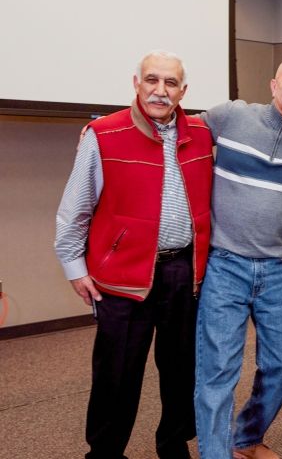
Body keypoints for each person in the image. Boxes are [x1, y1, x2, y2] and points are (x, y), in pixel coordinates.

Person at [54, 50, 214, 459]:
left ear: (184, 90)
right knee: (117, 372)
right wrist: (75, 268)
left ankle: (173, 443)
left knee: (181, 369)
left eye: (171, 83)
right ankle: (104, 452)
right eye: (152, 80)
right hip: (122, 277)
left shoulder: (201, 133)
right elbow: (76, 208)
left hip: (184, 271)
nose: (160, 91)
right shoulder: (103, 134)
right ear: (136, 83)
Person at [193, 57, 282, 459]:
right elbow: (177, 130)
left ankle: (246, 438)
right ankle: (216, 454)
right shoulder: (232, 117)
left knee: (281, 362)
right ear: (274, 85)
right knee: (218, 372)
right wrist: (101, 130)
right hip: (225, 264)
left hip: (277, 268)